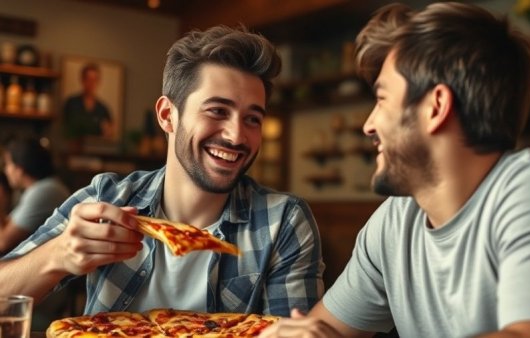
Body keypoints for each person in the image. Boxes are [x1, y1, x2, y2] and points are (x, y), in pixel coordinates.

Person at [260, 2, 530, 338]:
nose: (368, 125)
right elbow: (325, 330)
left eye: (381, 99)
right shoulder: (395, 220)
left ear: (435, 107)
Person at [0, 25, 324, 317]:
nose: (237, 135)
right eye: (217, 111)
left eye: (252, 118)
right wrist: (58, 255)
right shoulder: (106, 199)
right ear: (168, 115)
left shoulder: (282, 222)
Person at [0, 137, 70, 255]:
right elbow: (8, 225)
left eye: (7, 164)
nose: (6, 170)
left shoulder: (45, 190)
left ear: (19, 169)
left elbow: (2, 242)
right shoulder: (38, 189)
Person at [63, 62, 114, 140]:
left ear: (98, 82)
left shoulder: (103, 109)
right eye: (88, 79)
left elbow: (109, 134)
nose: (91, 83)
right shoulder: (71, 103)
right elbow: (65, 130)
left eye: (94, 80)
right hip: (73, 149)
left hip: (95, 150)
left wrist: (109, 131)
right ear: (82, 80)